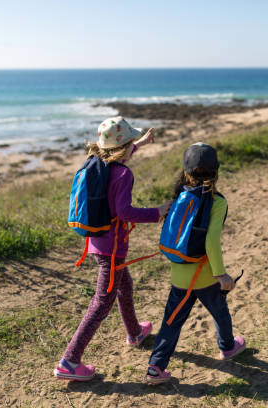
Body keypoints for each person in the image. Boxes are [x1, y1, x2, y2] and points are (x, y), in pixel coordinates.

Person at [54, 116, 172, 381]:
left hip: (96, 242)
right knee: (102, 302)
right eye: (132, 143)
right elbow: (124, 211)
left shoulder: (99, 162)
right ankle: (69, 361)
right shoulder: (123, 174)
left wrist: (138, 143)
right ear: (126, 148)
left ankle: (134, 332)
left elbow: (119, 157)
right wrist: (158, 212)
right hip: (112, 249)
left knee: (124, 286)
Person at [146, 142, 245, 384]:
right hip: (204, 276)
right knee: (220, 311)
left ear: (185, 171)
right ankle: (228, 347)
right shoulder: (217, 202)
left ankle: (155, 368)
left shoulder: (180, 195)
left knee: (171, 322)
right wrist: (221, 274)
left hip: (179, 276)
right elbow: (211, 242)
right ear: (216, 171)